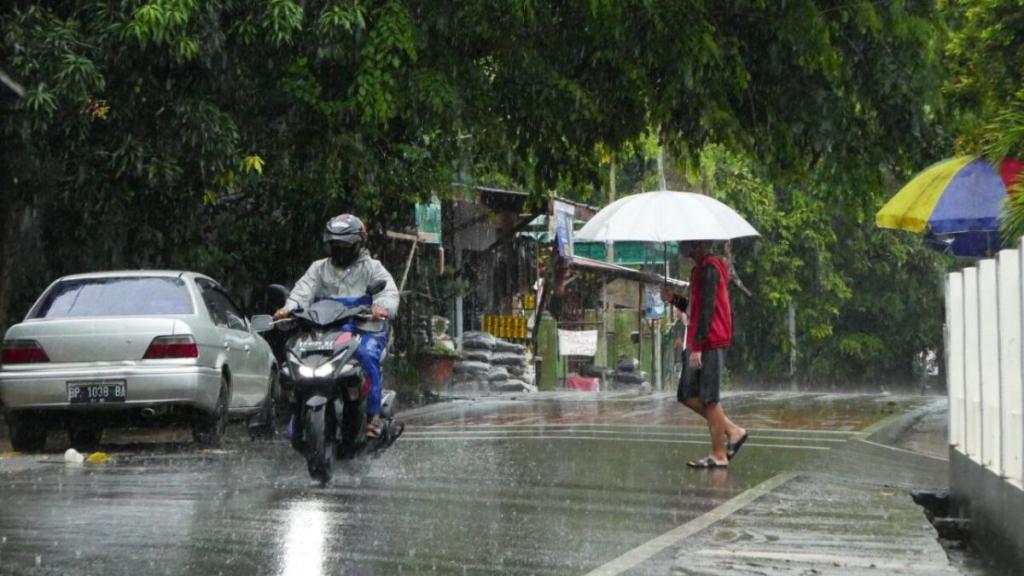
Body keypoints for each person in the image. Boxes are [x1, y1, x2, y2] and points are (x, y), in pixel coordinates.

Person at [273, 214, 399, 438]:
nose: (340, 250)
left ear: (358, 244)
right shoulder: (318, 268)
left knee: (367, 356)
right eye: (335, 245)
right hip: (326, 330)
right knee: (294, 360)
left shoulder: (373, 268)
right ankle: (297, 413)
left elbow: (388, 292)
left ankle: (373, 416)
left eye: (345, 245)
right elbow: (302, 292)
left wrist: (381, 307)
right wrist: (289, 308)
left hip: (364, 328)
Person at [661, 240, 747, 468]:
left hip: (710, 340)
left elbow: (708, 310)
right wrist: (673, 299)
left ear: (699, 245)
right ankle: (732, 430)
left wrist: (698, 347)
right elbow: (694, 307)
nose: (687, 251)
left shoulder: (710, 269)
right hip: (698, 339)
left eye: (690, 247)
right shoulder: (698, 270)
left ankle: (719, 454)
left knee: (709, 397)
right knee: (686, 393)